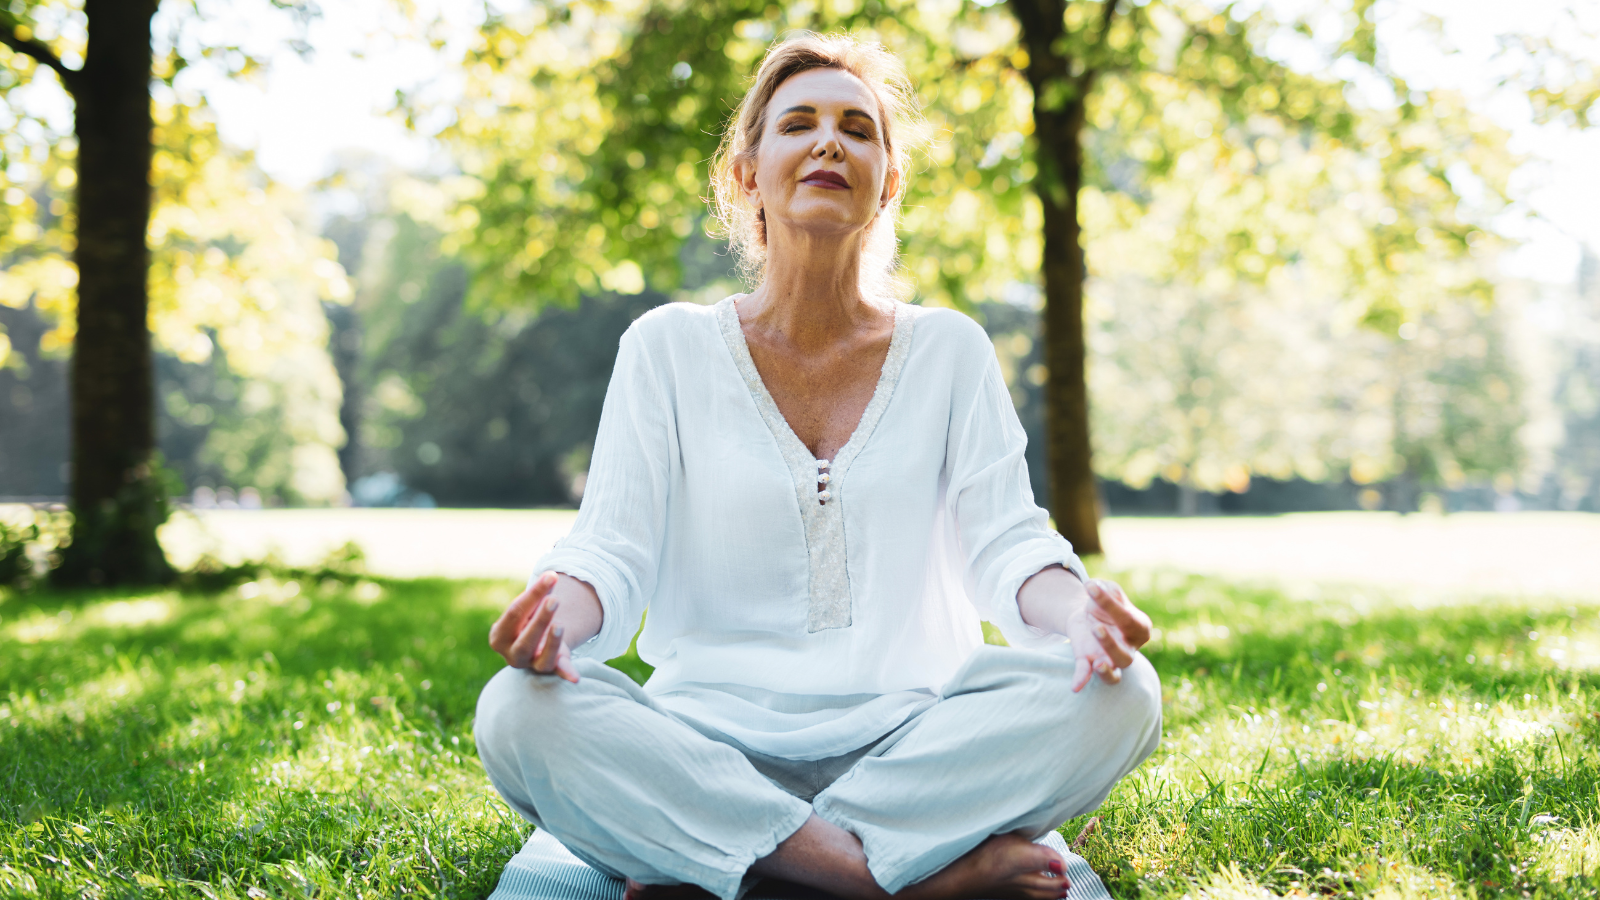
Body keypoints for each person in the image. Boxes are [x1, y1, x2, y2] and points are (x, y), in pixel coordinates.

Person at [475, 33, 1161, 900]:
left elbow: (1008, 544)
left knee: (1125, 693)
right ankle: (895, 883)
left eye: (858, 129)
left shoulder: (950, 349)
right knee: (515, 710)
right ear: (747, 173)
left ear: (889, 182)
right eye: (799, 123)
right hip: (706, 747)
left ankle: (735, 866)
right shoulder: (667, 348)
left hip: (915, 747)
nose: (830, 142)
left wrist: (1079, 613)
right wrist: (555, 616)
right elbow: (611, 550)